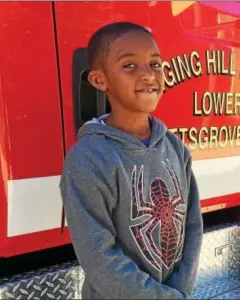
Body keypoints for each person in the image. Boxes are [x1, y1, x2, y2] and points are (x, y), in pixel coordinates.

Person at [59, 22, 203, 299]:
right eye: (129, 66)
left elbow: (193, 226)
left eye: (155, 64)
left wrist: (180, 291)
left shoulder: (175, 148)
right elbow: (99, 258)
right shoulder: (88, 159)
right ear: (99, 80)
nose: (148, 75)